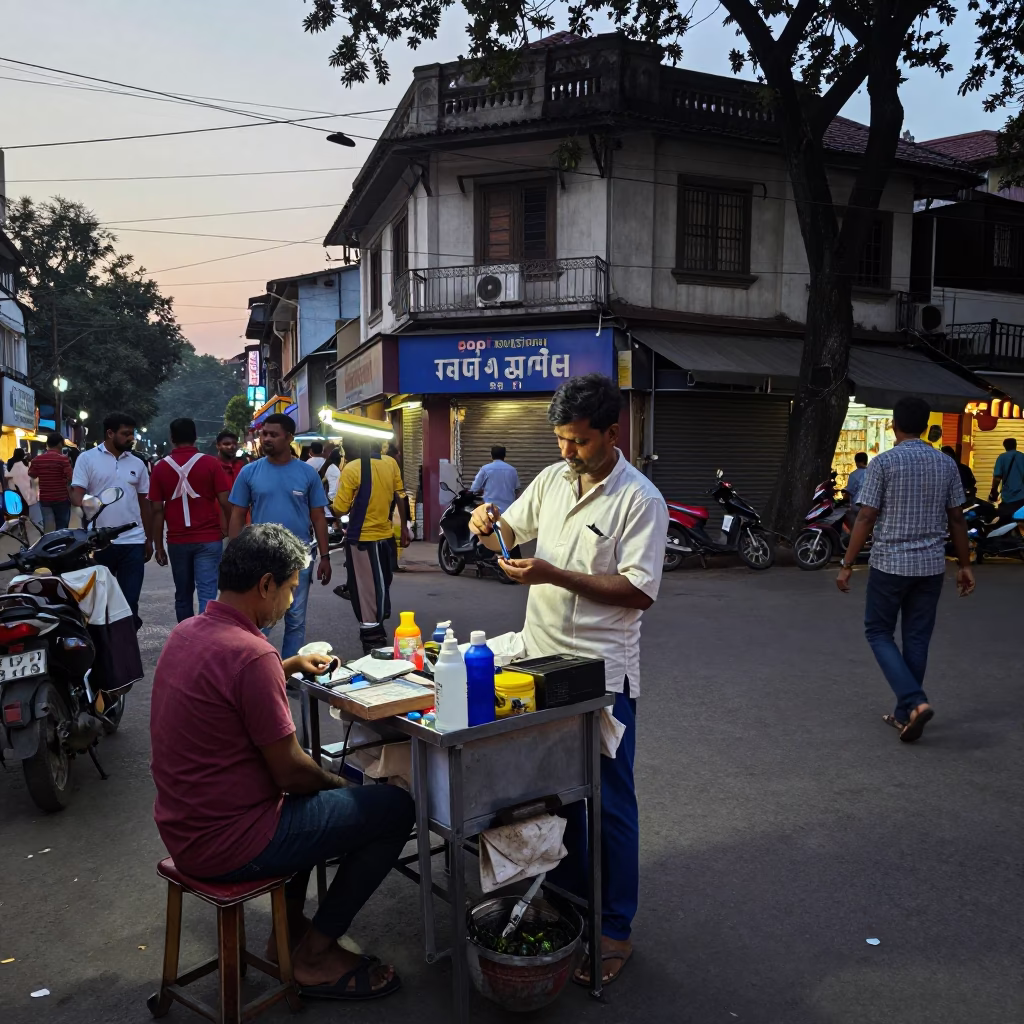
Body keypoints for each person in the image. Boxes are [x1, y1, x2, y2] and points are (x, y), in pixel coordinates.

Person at [150, 524, 412, 1000]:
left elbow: (227, 686)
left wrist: (285, 665)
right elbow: (291, 770)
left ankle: (287, 931)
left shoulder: (188, 633)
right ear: (266, 584)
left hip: (184, 828)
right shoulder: (251, 654)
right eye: (290, 588)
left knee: (310, 801)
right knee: (390, 809)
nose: (291, 601)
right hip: (229, 843)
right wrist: (342, 788)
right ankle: (313, 956)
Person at [469, 373, 668, 986]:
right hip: (537, 657)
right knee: (554, 793)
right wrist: (488, 522)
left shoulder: (641, 500)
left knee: (609, 803)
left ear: (612, 433)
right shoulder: (555, 477)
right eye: (560, 439)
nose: (566, 452)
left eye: (578, 442)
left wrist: (555, 575)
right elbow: (514, 526)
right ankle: (571, 893)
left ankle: (614, 927)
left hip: (601, 670)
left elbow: (639, 590)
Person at [837, 396, 975, 742]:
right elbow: (957, 519)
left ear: (894, 425)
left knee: (878, 632)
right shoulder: (945, 464)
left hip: (889, 565)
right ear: (927, 426)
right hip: (930, 566)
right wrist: (965, 565)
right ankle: (906, 714)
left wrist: (847, 564)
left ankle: (914, 701)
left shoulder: (883, 464)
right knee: (916, 637)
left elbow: (866, 516)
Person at [227, 414, 331, 658]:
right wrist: (233, 552)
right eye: (264, 434)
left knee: (296, 617)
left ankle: (290, 673)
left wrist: (325, 556)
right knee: (261, 619)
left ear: (289, 438)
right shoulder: (249, 473)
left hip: (300, 557)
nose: (266, 439)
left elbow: (318, 517)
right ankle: (257, 667)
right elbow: (237, 515)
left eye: (273, 434)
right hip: (261, 557)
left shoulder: (307, 474)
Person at [71, 412, 153, 627]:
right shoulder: (87, 459)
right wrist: (87, 504)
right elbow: (77, 494)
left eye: (132, 434)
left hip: (133, 542)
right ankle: (104, 653)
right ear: (110, 433)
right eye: (125, 434)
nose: (130, 438)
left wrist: (149, 539)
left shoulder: (138, 463)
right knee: (100, 604)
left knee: (130, 603)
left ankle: (126, 651)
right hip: (99, 542)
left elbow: (145, 503)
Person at [148, 418, 231, 622]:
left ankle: (186, 638)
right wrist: (227, 528)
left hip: (177, 540)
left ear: (172, 438)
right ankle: (206, 639)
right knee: (207, 594)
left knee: (183, 595)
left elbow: (157, 510)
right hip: (209, 537)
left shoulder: (160, 468)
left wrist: (158, 545)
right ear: (195, 437)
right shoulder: (211, 463)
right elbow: (225, 501)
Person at [333, 437, 410, 653]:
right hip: (386, 538)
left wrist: (332, 506)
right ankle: (378, 625)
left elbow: (340, 508)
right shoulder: (390, 463)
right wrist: (404, 528)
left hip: (362, 540)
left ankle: (374, 642)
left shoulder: (352, 468)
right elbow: (400, 496)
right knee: (381, 584)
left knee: (366, 594)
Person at [29, 433, 73, 531]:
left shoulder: (37, 460)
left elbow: (32, 474)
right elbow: (70, 477)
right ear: (59, 444)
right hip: (61, 498)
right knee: (62, 527)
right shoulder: (63, 459)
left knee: (48, 529)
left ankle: (50, 545)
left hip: (45, 499)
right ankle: (61, 545)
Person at [471, 444, 521, 513]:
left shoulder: (485, 469)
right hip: (508, 510)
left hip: (490, 510)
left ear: (491, 456)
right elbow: (517, 490)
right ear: (504, 456)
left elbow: (474, 489)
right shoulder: (512, 470)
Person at [6, 449, 42, 530]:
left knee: (20, 511)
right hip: (29, 492)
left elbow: (7, 475)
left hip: (18, 491)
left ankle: (21, 527)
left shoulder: (12, 463)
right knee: (30, 513)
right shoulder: (27, 463)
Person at [989, 437, 1024, 519]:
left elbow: (997, 477)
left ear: (1005, 446)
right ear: (1015, 445)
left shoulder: (1002, 457)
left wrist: (994, 490)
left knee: (1006, 519)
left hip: (1008, 496)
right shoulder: (1022, 456)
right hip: (1022, 496)